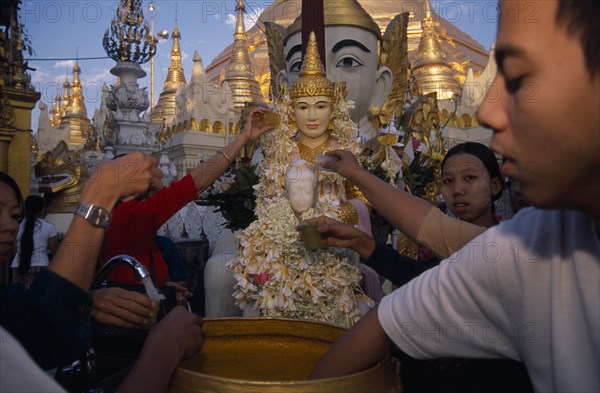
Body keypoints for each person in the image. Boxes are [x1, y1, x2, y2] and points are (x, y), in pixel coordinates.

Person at [309, 1, 600, 392]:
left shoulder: (537, 246)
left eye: (518, 77)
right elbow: (427, 248)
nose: (489, 111)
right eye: (449, 181)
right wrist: (358, 187)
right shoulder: (535, 243)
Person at [0, 156, 204, 392]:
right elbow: (43, 326)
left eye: (16, 215)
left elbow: (28, 322)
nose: (10, 225)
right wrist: (167, 344)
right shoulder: (133, 215)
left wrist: (88, 300)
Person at [229, 32, 378, 328]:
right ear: (290, 109)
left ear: (333, 108)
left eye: (321, 106)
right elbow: (266, 203)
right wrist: (285, 218)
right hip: (285, 243)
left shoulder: (344, 151)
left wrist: (336, 217)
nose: (312, 115)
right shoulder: (278, 150)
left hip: (335, 241)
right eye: (303, 106)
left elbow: (362, 201)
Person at [91, 106, 273, 328]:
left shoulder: (112, 215)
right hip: (133, 323)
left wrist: (162, 287)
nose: (157, 171)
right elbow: (197, 181)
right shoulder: (134, 216)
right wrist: (243, 138)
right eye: (147, 169)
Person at [310, 142, 505, 287]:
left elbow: (428, 224)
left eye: (470, 178)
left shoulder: (507, 244)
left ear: (495, 185)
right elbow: (419, 280)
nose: (458, 189)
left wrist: (356, 174)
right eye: (448, 181)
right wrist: (358, 241)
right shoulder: (436, 251)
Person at [273, 0, 395, 141]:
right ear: (283, 89)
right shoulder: (273, 156)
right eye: (299, 65)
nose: (323, 80)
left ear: (380, 86)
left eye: (347, 61)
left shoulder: (389, 158)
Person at [10, 194, 58, 288]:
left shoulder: (17, 226)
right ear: (42, 209)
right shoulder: (49, 227)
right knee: (36, 298)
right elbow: (53, 248)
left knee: (18, 297)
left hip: (18, 266)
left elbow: (14, 247)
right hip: (40, 265)